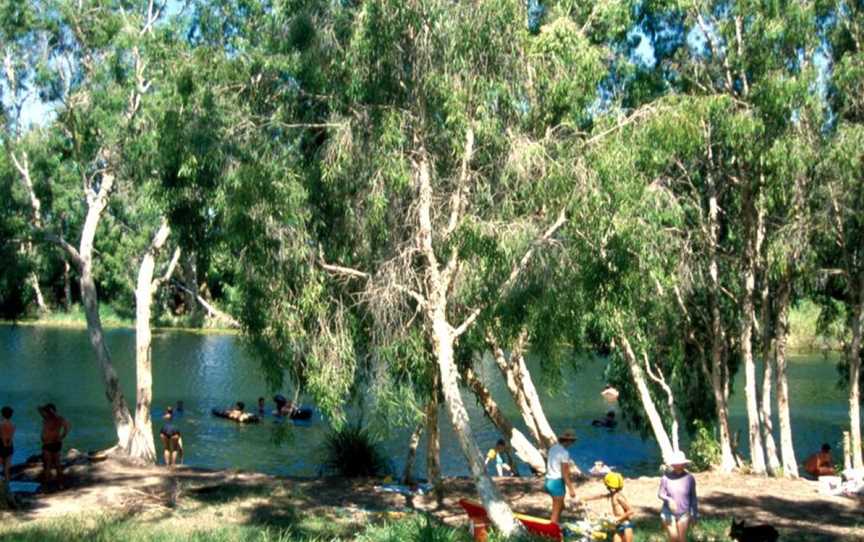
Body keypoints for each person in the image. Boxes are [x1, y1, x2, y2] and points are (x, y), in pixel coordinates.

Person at [658, 450, 698, 542]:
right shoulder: (666, 478)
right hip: (668, 512)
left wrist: (694, 514)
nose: (678, 466)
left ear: (684, 464)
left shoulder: (690, 478)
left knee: (682, 539)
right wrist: (669, 500)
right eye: (676, 464)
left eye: (680, 463)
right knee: (674, 539)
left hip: (684, 513)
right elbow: (660, 494)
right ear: (672, 465)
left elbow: (693, 497)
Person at [545, 428, 582, 524]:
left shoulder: (553, 448)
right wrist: (571, 489)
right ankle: (552, 533)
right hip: (557, 482)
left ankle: (560, 526)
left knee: (561, 507)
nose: (572, 443)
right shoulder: (564, 453)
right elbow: (565, 473)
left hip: (548, 481)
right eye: (572, 441)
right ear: (568, 441)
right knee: (555, 513)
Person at [39, 403, 70, 487]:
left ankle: (49, 485)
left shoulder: (53, 419)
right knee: (56, 463)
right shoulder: (55, 418)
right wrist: (63, 435)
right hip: (55, 443)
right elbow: (39, 408)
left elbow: (67, 425)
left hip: (49, 444)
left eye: (47, 411)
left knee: (49, 464)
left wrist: (63, 435)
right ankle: (59, 483)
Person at [603, 472, 634, 542]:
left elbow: (631, 511)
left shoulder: (619, 497)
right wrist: (582, 499)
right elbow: (599, 496)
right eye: (609, 487)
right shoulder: (612, 495)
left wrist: (618, 519)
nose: (610, 489)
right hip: (618, 525)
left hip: (626, 526)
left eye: (612, 487)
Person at [0, 406, 15, 483]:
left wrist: (4, 444)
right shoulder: (12, 424)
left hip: (2, 445)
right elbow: (11, 436)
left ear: (2, 414)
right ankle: (8, 486)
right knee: (7, 468)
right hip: (10, 446)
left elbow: (2, 436)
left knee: (2, 466)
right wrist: (8, 444)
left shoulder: (1, 424)